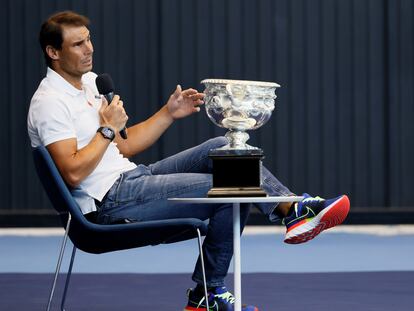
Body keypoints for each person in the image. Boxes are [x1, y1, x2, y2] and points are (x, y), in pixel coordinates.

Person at [27, 11, 350, 311]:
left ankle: (290, 211)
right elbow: (72, 171)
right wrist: (108, 128)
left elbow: (122, 147)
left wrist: (169, 113)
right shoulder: (49, 103)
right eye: (78, 43)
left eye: (89, 39)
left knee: (223, 146)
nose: (89, 49)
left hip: (132, 178)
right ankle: (208, 293)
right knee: (231, 187)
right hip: (109, 202)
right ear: (53, 52)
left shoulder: (89, 84)